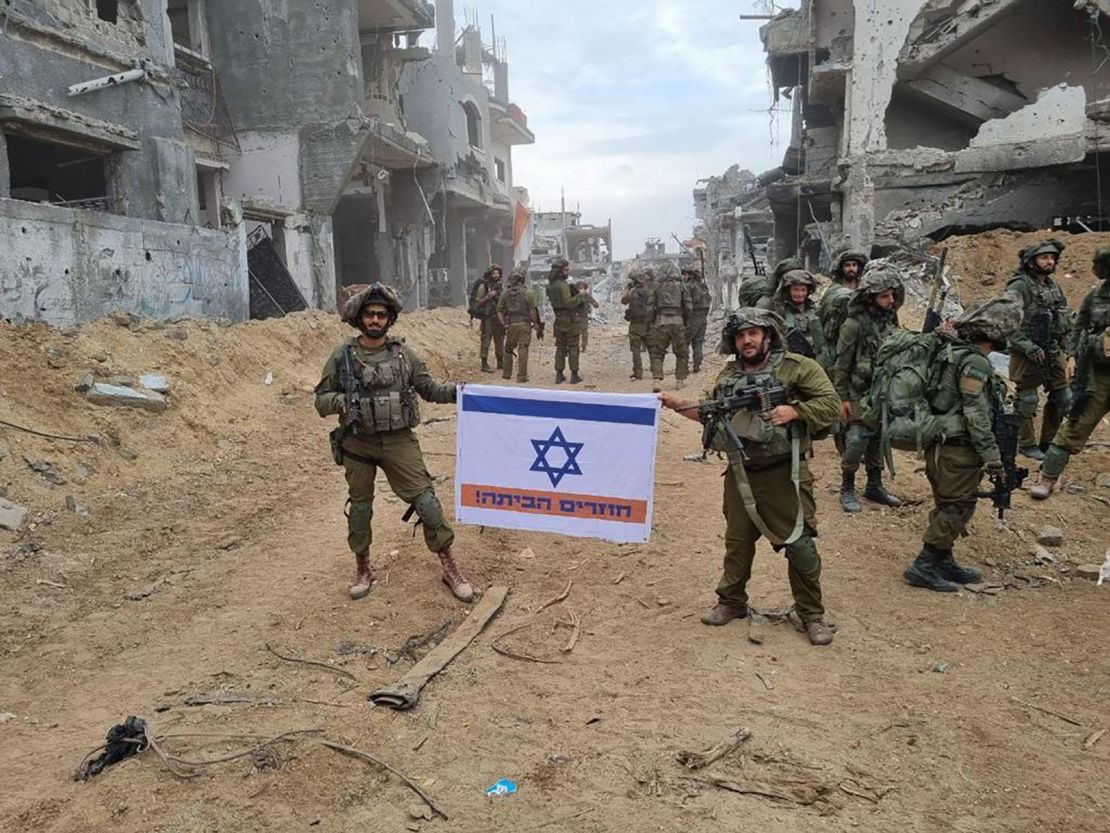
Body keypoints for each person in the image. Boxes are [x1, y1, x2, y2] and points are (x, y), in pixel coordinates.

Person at [658, 309, 839, 646]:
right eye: (741, 336)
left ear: (768, 335)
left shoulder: (797, 367)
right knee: (737, 544)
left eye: (754, 333)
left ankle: (811, 614)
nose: (747, 340)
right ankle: (731, 602)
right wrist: (675, 404)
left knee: (799, 546)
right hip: (740, 473)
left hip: (786, 473)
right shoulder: (729, 375)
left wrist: (796, 411)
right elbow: (713, 416)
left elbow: (831, 404)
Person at [314, 283, 474, 603]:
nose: (375, 320)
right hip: (357, 444)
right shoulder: (342, 355)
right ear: (360, 319)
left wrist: (460, 392)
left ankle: (450, 568)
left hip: (398, 441)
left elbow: (429, 389)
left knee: (427, 503)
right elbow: (321, 401)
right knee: (360, 510)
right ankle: (363, 569)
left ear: (390, 320)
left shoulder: (403, 355)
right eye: (370, 314)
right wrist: (341, 402)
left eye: (381, 315)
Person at [903, 296, 1022, 591]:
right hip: (957, 447)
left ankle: (943, 559)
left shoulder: (955, 352)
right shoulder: (974, 363)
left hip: (945, 444)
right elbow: (976, 412)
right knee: (956, 506)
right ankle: (925, 564)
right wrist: (991, 454)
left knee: (955, 502)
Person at [1032, 248, 1110, 499]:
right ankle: (1048, 478)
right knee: (1076, 422)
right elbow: (1079, 328)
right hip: (1098, 374)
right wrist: (1073, 357)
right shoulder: (1096, 295)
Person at [834, 265, 904, 512]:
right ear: (871, 297)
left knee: (878, 438)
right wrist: (841, 397)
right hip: (857, 391)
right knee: (856, 440)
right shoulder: (854, 324)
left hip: (883, 389)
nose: (890, 300)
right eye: (884, 296)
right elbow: (842, 363)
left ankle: (874, 485)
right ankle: (847, 488)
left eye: (892, 295)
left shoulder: (890, 318)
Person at [1006, 239, 1074, 461]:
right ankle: (1026, 444)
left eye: (1052, 257)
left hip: (1053, 350)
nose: (1050, 261)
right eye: (1044, 257)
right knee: (1027, 399)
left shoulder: (1053, 286)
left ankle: (1048, 440)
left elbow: (1065, 318)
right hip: (1027, 351)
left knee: (1063, 396)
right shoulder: (1019, 286)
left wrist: (1069, 349)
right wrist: (1027, 347)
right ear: (1031, 261)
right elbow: (1006, 321)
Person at [818, 249, 869, 373]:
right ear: (841, 268)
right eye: (847, 265)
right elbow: (824, 313)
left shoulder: (865, 288)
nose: (851, 268)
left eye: (854, 265)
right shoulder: (833, 290)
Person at [545, 257, 588, 384]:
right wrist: (581, 295)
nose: (568, 272)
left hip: (558, 319)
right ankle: (574, 375)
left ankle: (559, 374)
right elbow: (568, 303)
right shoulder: (563, 286)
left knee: (560, 347)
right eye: (566, 270)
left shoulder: (550, 286)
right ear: (560, 271)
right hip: (569, 319)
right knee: (573, 347)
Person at [649, 261, 692, 386]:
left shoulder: (656, 287)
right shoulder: (681, 286)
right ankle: (680, 381)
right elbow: (688, 306)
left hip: (660, 321)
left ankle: (656, 381)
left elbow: (650, 307)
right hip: (678, 322)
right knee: (681, 353)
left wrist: (652, 322)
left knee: (657, 353)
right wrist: (687, 321)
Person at [498, 267, 542, 383]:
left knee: (508, 349)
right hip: (525, 324)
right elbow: (532, 310)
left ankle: (506, 374)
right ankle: (522, 376)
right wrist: (536, 323)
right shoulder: (528, 293)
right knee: (523, 348)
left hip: (511, 325)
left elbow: (499, 310)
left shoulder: (505, 293)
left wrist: (504, 324)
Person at [770, 269, 825, 360]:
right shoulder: (781, 312)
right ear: (788, 291)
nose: (800, 294)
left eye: (803, 290)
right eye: (795, 290)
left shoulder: (816, 310)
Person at [621, 264, 655, 380]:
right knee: (652, 348)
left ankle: (638, 372)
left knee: (636, 349)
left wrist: (627, 288)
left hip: (635, 324)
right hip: (649, 323)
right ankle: (656, 371)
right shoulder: (651, 291)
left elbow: (623, 301)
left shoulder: (632, 292)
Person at [474, 265, 505, 373]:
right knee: (486, 340)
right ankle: (484, 362)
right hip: (487, 317)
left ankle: (500, 361)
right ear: (490, 275)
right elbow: (478, 303)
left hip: (499, 317)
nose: (496, 275)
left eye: (497, 273)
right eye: (494, 273)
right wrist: (488, 296)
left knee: (500, 339)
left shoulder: (501, 286)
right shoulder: (484, 287)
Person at [684, 266, 713, 372]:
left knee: (685, 342)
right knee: (698, 342)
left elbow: (687, 303)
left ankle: (684, 366)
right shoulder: (703, 286)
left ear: (690, 276)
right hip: (703, 318)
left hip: (693, 317)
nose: (684, 277)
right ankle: (697, 365)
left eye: (686, 274)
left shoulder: (688, 286)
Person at [576, 280, 601, 353]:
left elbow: (596, 305)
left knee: (583, 333)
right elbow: (596, 305)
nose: (580, 290)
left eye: (581, 288)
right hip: (578, 317)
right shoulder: (585, 296)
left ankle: (583, 346)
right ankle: (580, 347)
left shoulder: (586, 296)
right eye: (579, 288)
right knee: (581, 332)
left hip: (581, 316)